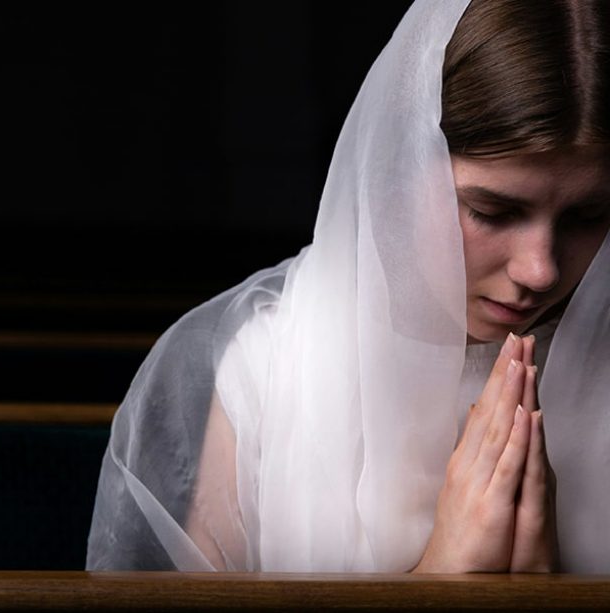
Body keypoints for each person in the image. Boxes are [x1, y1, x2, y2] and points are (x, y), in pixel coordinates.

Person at [87, 0, 609, 573]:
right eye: (493, 211)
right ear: (398, 165)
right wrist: (438, 584)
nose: (541, 270)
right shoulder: (261, 367)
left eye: (588, 216)